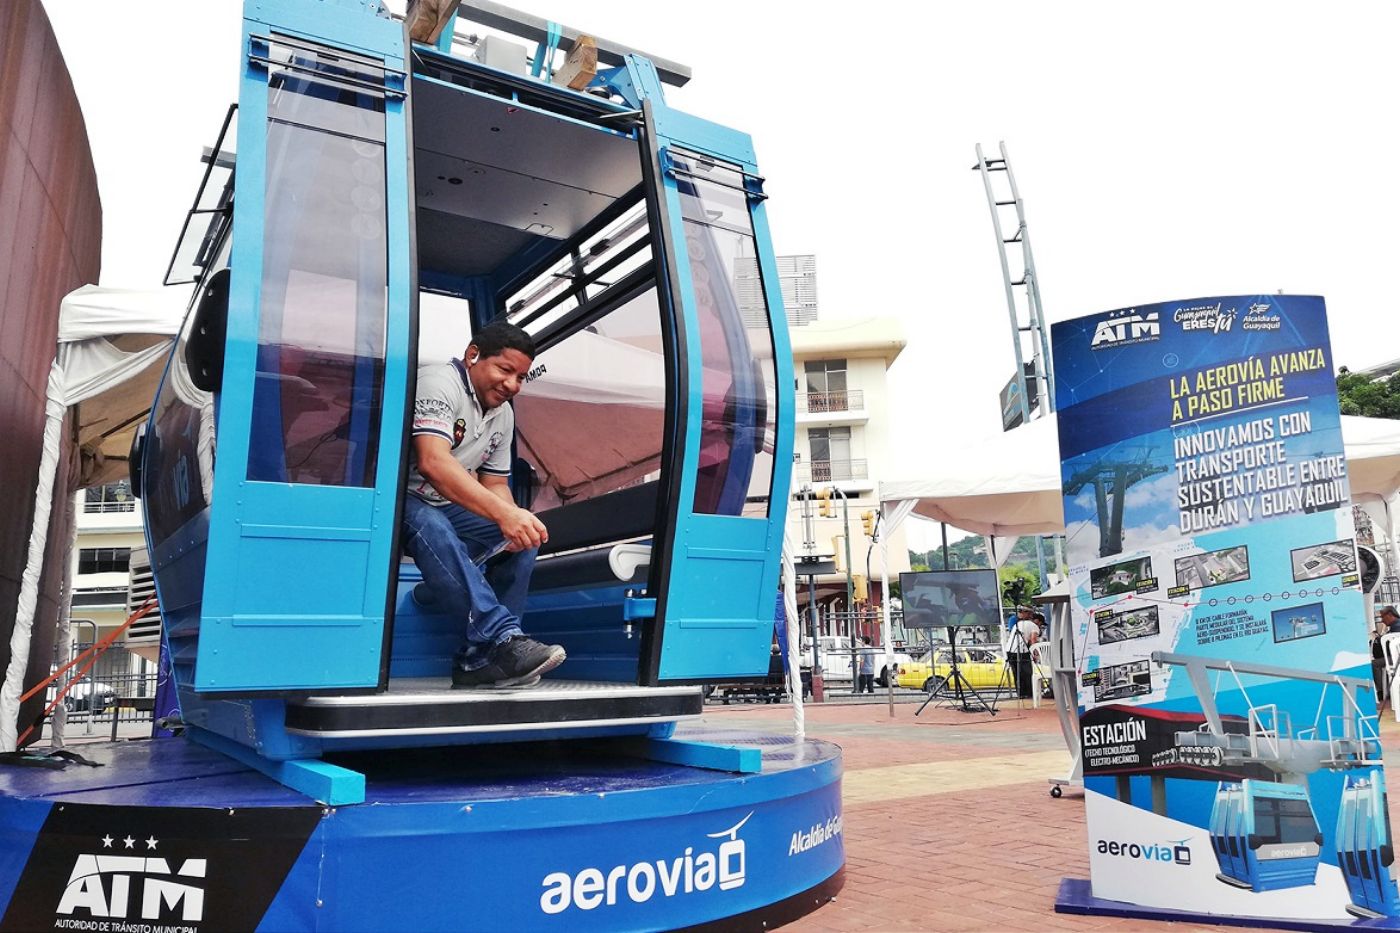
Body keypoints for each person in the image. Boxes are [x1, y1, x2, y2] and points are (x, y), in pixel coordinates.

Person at [402, 321, 566, 688]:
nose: (512, 385)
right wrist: (504, 513)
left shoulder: (503, 414)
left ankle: (478, 661)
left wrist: (513, 522)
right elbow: (433, 461)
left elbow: (494, 483)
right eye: (505, 370)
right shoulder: (438, 382)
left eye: (521, 377)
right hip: (401, 502)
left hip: (445, 504)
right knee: (434, 525)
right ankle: (502, 640)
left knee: (525, 538)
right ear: (473, 355)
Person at [1005, 605, 1039, 699]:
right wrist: (1035, 654)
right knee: (1027, 673)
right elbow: (1033, 640)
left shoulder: (1017, 624)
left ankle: (1021, 694)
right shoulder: (1033, 626)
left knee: (1017, 673)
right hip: (1022, 650)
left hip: (1010, 650)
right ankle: (1028, 694)